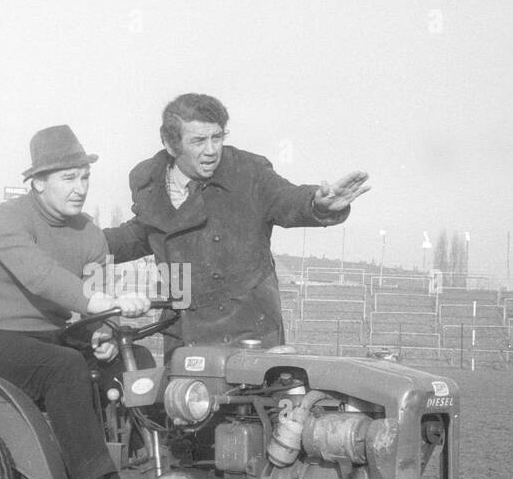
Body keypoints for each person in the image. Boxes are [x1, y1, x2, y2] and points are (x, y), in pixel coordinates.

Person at [0, 125, 148, 479]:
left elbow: (96, 295)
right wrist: (100, 304)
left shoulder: (89, 233)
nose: (79, 188)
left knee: (136, 357)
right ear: (39, 182)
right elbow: (42, 277)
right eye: (68, 178)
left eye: (84, 177)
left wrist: (104, 330)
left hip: (53, 336)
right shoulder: (5, 221)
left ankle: (144, 467)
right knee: (63, 366)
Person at [105, 93, 371, 348]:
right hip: (184, 334)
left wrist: (317, 204)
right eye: (198, 141)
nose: (211, 150)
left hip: (249, 331)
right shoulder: (150, 182)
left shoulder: (248, 172)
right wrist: (76, 242)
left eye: (217, 137)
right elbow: (145, 233)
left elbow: (286, 197)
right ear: (170, 142)